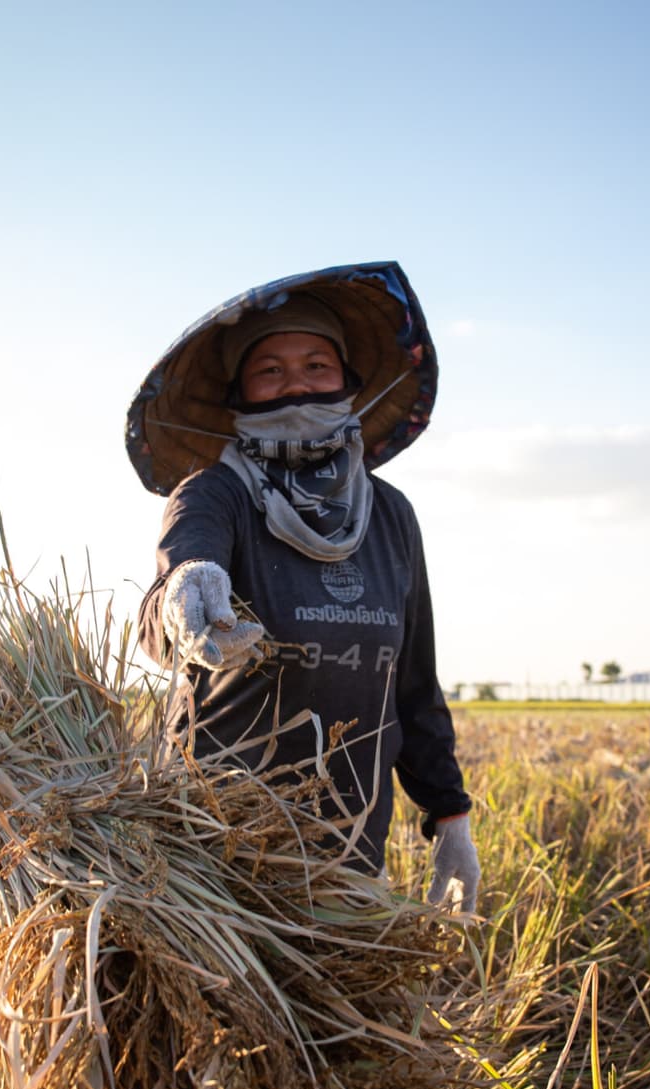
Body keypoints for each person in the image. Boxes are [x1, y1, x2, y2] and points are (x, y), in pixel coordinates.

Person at [127, 262, 479, 911]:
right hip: (210, 856)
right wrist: (188, 584)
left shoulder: (390, 516)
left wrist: (450, 817)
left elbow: (414, 685)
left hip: (347, 858)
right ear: (239, 397)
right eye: (271, 371)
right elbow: (163, 609)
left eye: (317, 366)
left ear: (347, 383)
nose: (297, 384)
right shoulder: (215, 493)